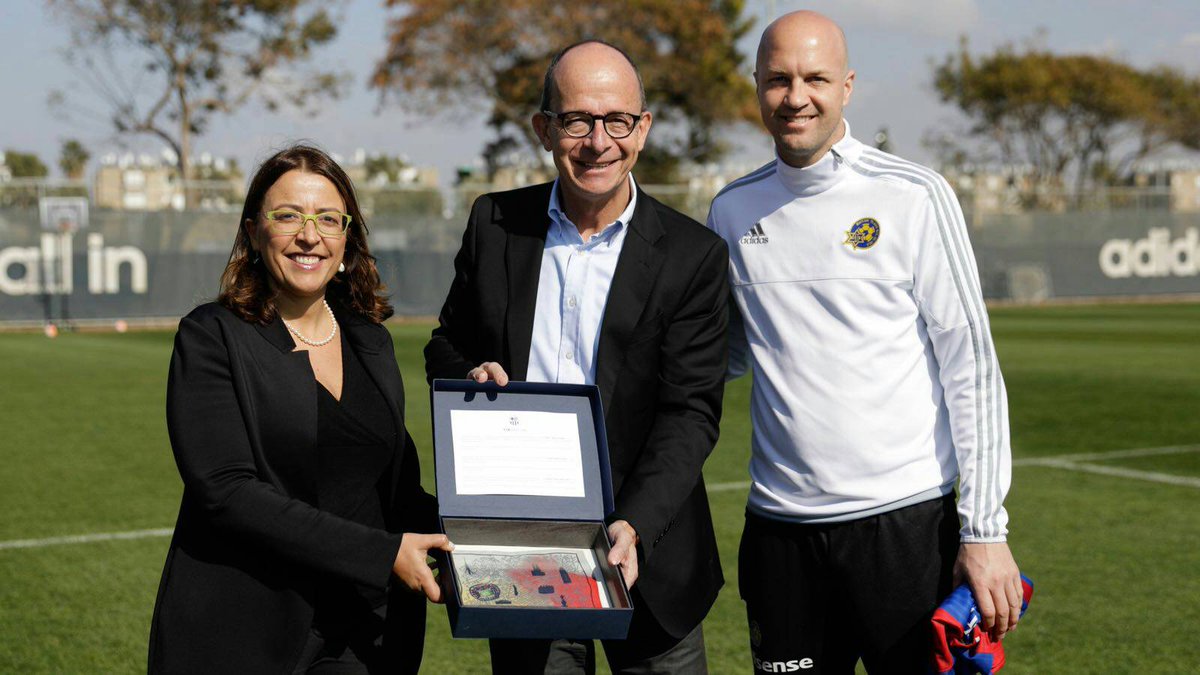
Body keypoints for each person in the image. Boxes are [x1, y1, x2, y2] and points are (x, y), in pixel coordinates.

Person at [706, 11, 1023, 674]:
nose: (796, 97)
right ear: (756, 85)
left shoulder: (914, 195)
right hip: (780, 533)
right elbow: (722, 353)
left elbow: (971, 367)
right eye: (778, 79)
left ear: (846, 86)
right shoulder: (731, 210)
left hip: (904, 530)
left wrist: (984, 530)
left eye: (815, 79)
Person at [425, 40, 729, 674]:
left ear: (642, 129)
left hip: (648, 550)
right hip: (523, 546)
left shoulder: (692, 254)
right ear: (544, 130)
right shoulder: (494, 223)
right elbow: (445, 344)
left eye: (617, 120)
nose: (598, 142)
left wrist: (635, 524)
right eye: (576, 121)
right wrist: (471, 374)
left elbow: (691, 412)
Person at [148, 145, 452, 674]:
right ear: (252, 232)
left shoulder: (369, 339)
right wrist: (380, 555)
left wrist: (492, 526)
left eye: (328, 219)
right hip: (254, 631)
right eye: (288, 216)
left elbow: (395, 491)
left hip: (365, 629)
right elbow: (227, 492)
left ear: (347, 238)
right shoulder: (212, 336)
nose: (310, 236)